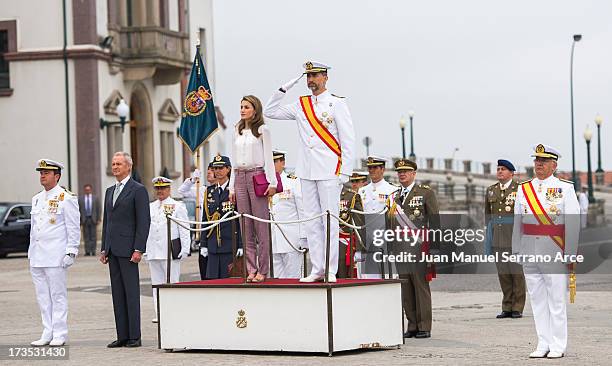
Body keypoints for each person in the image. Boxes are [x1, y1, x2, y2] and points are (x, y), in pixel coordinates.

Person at [264, 61, 356, 282]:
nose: (311, 80)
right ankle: (317, 269)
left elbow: (348, 139)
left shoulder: (336, 104)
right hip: (307, 170)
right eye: (308, 76)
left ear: (325, 77)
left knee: (329, 220)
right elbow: (270, 111)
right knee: (312, 220)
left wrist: (345, 171)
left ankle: (330, 269)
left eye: (315, 75)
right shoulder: (301, 104)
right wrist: (284, 87)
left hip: (329, 169)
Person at [511, 144, 580, 359]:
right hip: (530, 250)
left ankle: (558, 344)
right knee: (537, 300)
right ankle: (543, 342)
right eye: (536, 161)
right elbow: (518, 221)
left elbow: (573, 222)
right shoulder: (524, 188)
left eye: (543, 161)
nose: (538, 164)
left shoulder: (565, 188)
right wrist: (516, 249)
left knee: (556, 301)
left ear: (554, 165)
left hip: (554, 249)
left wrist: (570, 252)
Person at [100, 151, 151, 348]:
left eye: (119, 164)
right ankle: (122, 335)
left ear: (128, 166)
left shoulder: (137, 190)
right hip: (113, 250)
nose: (115, 167)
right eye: (113, 164)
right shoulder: (109, 191)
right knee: (117, 294)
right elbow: (107, 222)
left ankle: (134, 336)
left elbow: (143, 222)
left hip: (129, 250)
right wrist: (104, 247)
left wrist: (139, 248)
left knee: (130, 293)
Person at [29, 159, 80, 347]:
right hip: (37, 255)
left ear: (56, 176)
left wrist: (71, 251)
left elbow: (73, 227)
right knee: (42, 296)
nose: (42, 175)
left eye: (46, 172)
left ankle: (60, 333)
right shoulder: (36, 198)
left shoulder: (66, 198)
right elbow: (35, 229)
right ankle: (47, 331)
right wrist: (30, 253)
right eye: (41, 172)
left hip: (55, 255)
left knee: (57, 295)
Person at [387, 159, 440, 339]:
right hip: (400, 248)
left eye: (406, 171)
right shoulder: (394, 197)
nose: (402, 174)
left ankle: (424, 325)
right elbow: (390, 224)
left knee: (420, 287)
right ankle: (412, 324)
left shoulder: (425, 193)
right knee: (406, 289)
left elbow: (434, 222)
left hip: (419, 247)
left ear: (414, 174)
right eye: (399, 171)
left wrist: (434, 249)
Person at [229, 95, 277, 283]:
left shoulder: (262, 130)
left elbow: (269, 157)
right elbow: (233, 160)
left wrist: (272, 182)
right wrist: (232, 187)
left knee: (260, 225)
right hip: (240, 176)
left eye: (246, 107)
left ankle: (263, 269)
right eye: (241, 106)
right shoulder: (237, 130)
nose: (242, 110)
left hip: (257, 174)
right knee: (245, 226)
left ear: (255, 110)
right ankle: (251, 269)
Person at [145, 176, 190, 323]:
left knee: (172, 282)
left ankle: (174, 311)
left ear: (169, 189)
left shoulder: (177, 206)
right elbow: (146, 229)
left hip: (169, 250)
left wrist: (185, 247)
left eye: (163, 188)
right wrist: (144, 248)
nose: (160, 191)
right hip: (153, 250)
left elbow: (184, 228)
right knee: (157, 284)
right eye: (157, 188)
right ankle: (159, 313)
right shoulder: (150, 206)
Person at [484, 159, 526, 319]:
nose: (500, 171)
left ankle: (517, 306)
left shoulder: (520, 190)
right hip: (498, 238)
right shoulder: (491, 190)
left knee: (516, 273)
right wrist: (488, 236)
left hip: (514, 236)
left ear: (511, 173)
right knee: (503, 274)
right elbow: (487, 216)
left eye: (503, 169)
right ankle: (507, 305)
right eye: (498, 169)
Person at [358, 155, 399, 278]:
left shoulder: (392, 190)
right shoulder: (362, 191)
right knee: (369, 277)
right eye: (370, 168)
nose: (372, 171)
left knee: (388, 275)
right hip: (368, 239)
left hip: (385, 238)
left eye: (375, 167)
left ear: (383, 169)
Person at [270, 150, 307, 279]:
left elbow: (302, 210)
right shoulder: (263, 182)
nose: (272, 165)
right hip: (272, 238)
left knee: (294, 278)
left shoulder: (293, 181)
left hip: (291, 238)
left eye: (275, 161)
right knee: (275, 281)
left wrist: (303, 236)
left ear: (283, 163)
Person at [206, 155, 243, 279]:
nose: (217, 171)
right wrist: (203, 244)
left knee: (229, 282)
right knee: (212, 283)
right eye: (215, 168)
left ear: (228, 169)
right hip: (213, 245)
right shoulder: (210, 191)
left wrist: (241, 244)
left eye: (221, 168)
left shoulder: (234, 190)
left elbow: (240, 219)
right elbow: (205, 219)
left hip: (230, 244)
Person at [179, 163, 216, 280]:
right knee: (204, 271)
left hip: (217, 235)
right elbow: (182, 191)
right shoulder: (202, 190)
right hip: (203, 235)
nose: (209, 172)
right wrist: (193, 179)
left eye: (212, 170)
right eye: (208, 170)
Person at [337, 172, 367, 278]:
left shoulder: (352, 196)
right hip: (331, 241)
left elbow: (359, 223)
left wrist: (360, 248)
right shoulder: (327, 195)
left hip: (346, 240)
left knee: (344, 274)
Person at [79, 183, 101, 256]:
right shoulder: (81, 199)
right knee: (86, 236)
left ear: (91, 190)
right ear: (84, 190)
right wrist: (80, 220)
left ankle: (93, 251)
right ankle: (87, 251)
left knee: (93, 236)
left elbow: (99, 209)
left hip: (93, 219)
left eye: (88, 189)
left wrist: (98, 218)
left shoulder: (95, 198)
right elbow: (79, 210)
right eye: (86, 190)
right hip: (84, 219)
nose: (87, 191)